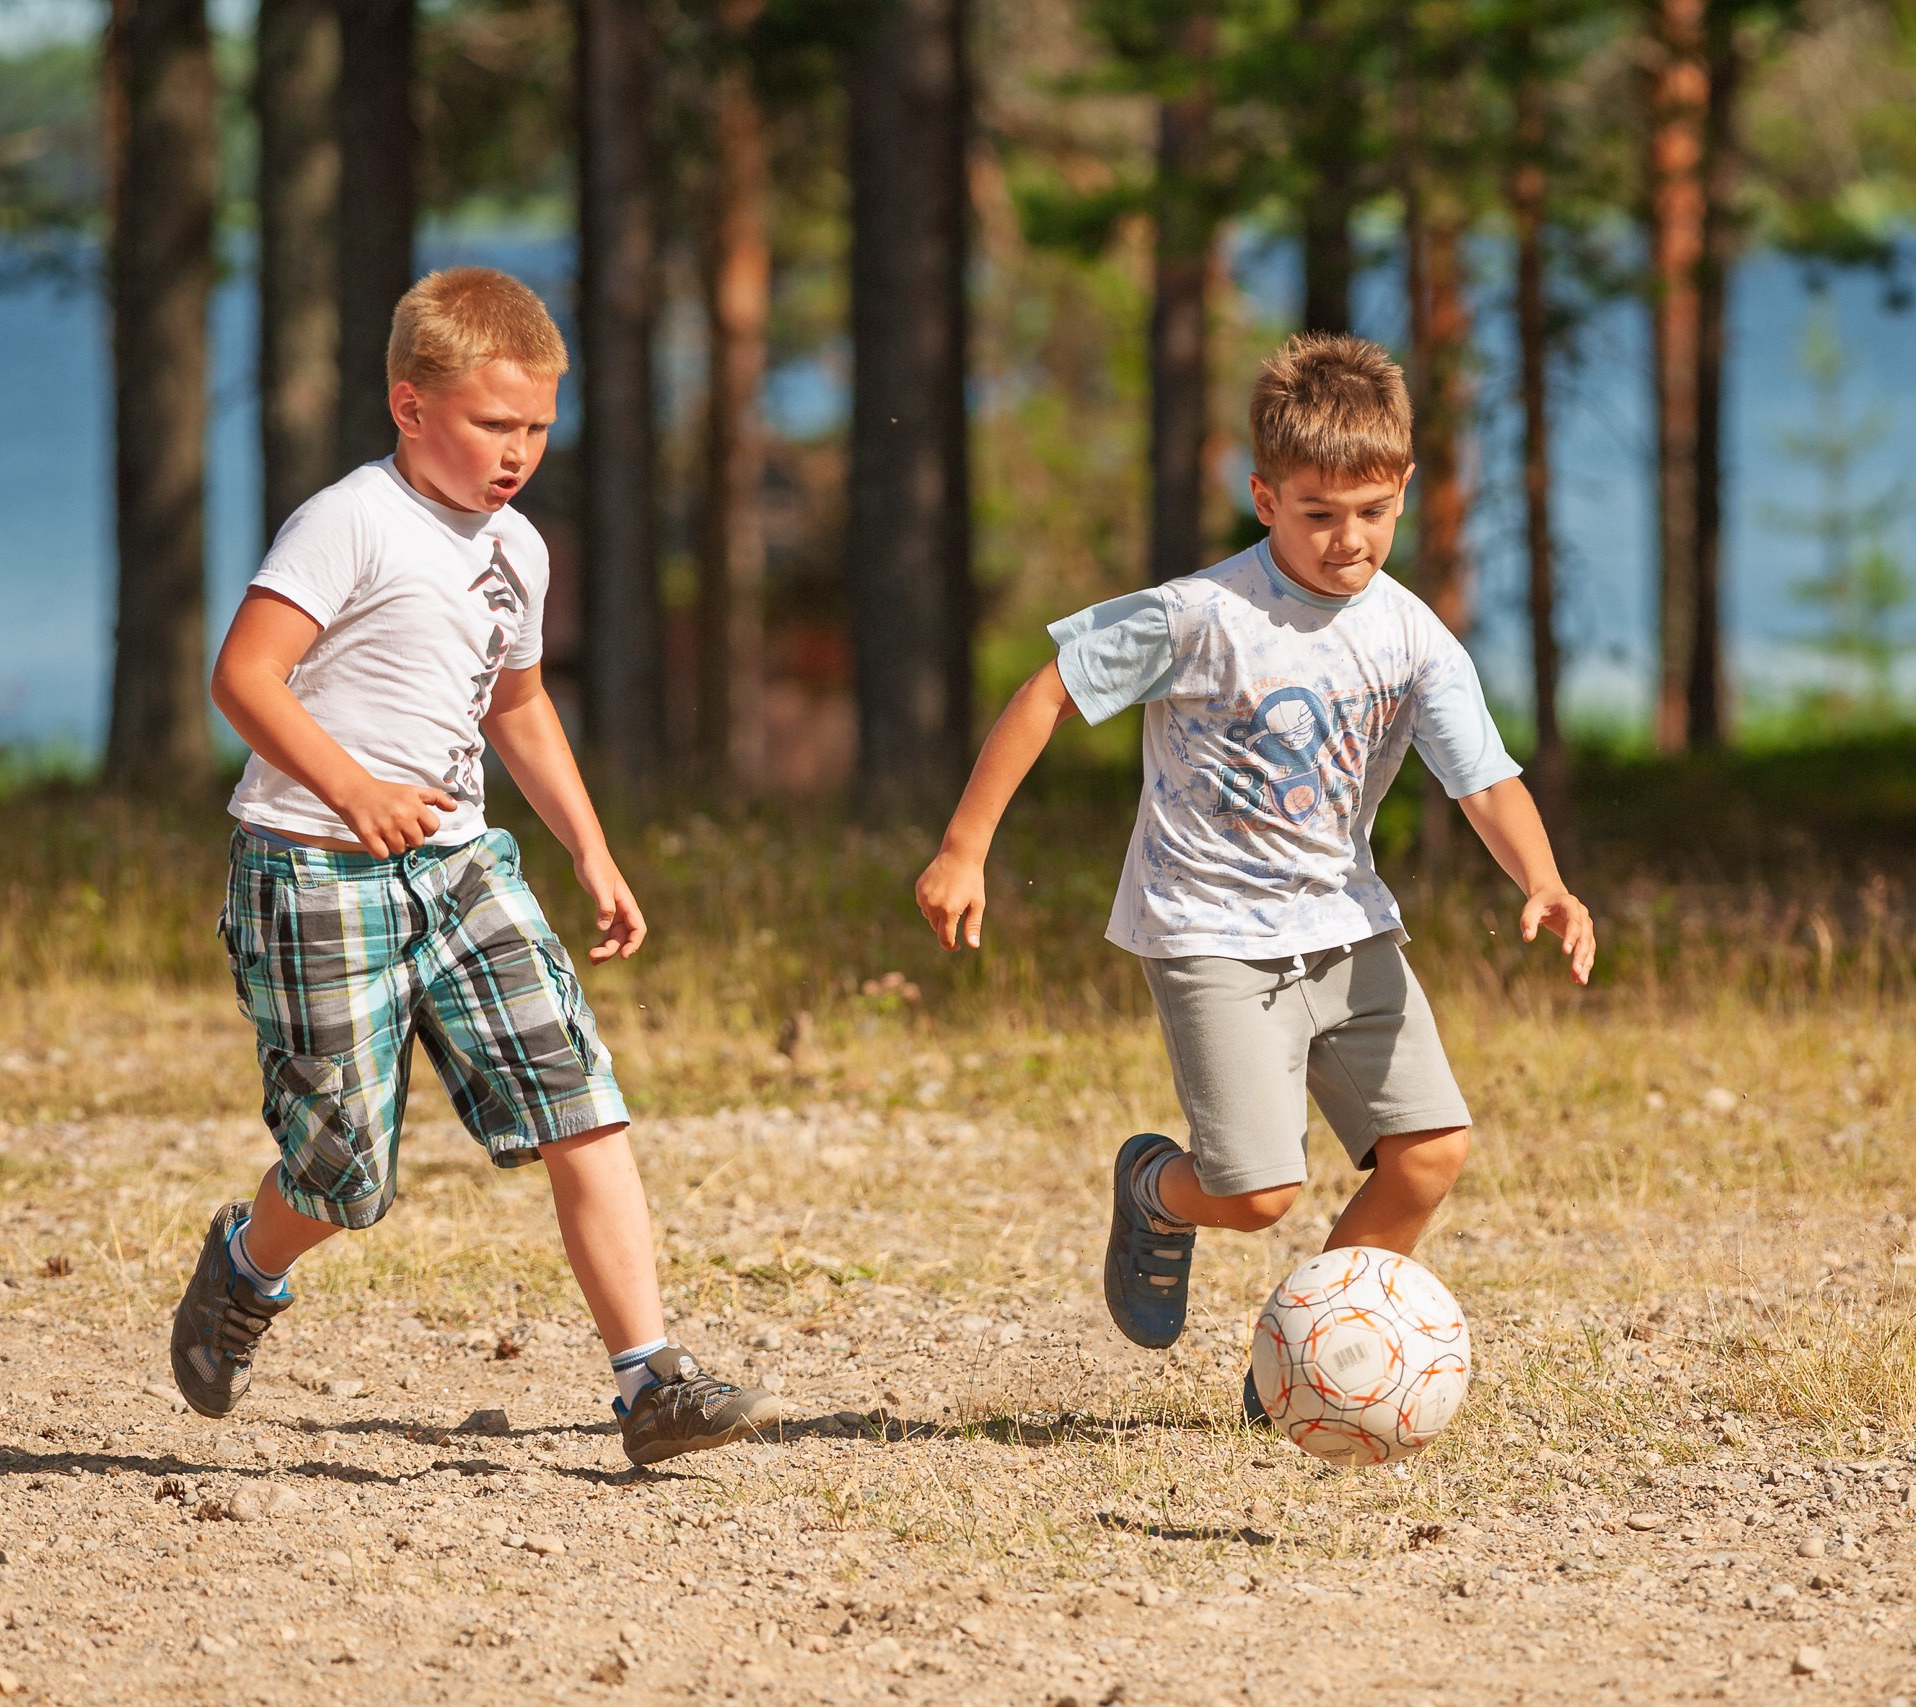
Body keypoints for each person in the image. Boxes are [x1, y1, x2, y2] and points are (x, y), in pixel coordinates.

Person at [914, 332, 1595, 1417]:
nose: (1347, 539)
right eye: (1318, 513)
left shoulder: (1412, 634)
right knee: (1254, 1193)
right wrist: (965, 847)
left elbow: (1482, 780)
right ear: (1264, 495)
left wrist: (1544, 879)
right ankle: (1154, 1190)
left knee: (1428, 1153)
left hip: (1346, 927)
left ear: (1404, 491)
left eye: (1371, 511)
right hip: (1208, 933)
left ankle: (1299, 1369)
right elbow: (1049, 689)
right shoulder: (1203, 614)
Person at [169, 266, 779, 1467]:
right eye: (494, 423)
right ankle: (246, 1266)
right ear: (409, 407)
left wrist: (591, 850)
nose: (519, 452)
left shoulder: (520, 550)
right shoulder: (349, 520)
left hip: (458, 868)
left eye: (540, 426)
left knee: (578, 1097)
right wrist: (353, 789)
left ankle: (650, 1380)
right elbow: (241, 678)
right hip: (314, 870)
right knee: (342, 1169)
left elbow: (519, 706)